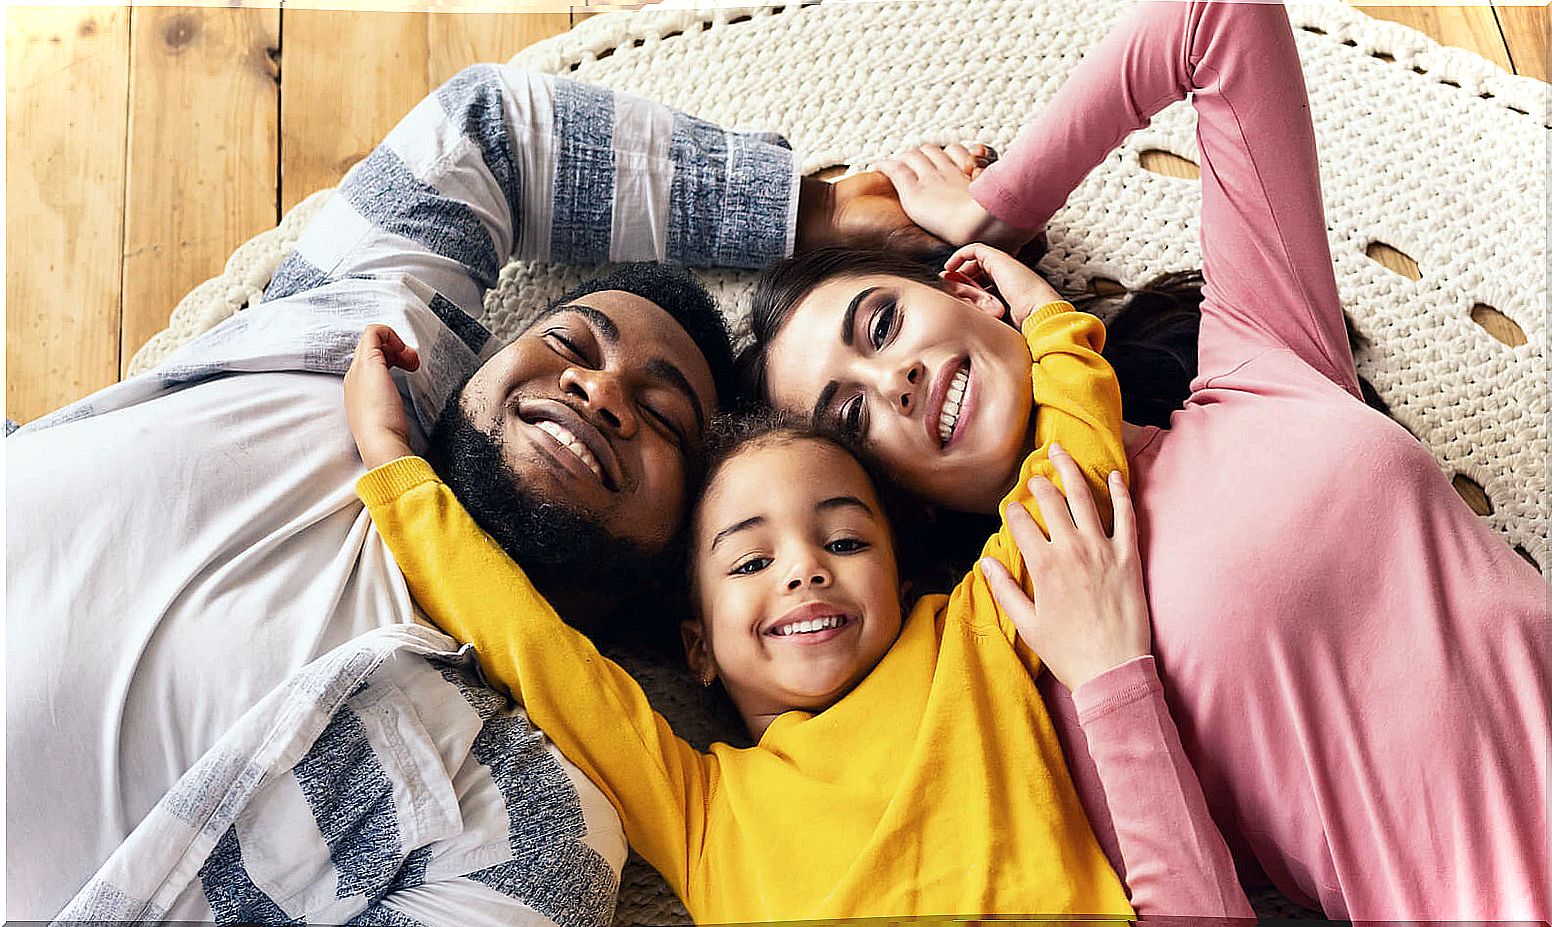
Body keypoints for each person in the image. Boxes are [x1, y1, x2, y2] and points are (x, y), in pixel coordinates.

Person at [4, 62, 945, 921]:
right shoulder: (369, 345)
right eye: (572, 346)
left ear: (680, 564)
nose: (602, 391)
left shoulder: (534, 829)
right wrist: (807, 212)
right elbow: (486, 134)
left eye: (663, 420)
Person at [743, 2, 1549, 920]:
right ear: (893, 498)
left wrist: (995, 206)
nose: (893, 381)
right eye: (851, 416)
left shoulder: (1258, 355)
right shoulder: (1043, 675)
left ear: (971, 286)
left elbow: (1219, 21)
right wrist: (1110, 679)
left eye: (882, 325)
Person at [340, 305, 1253, 918]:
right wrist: (392, 460)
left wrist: (1052, 329)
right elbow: (534, 650)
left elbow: (1071, 472)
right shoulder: (702, 809)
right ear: (695, 647)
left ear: (903, 580)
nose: (806, 571)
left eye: (848, 542)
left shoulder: (973, 637)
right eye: (750, 559)